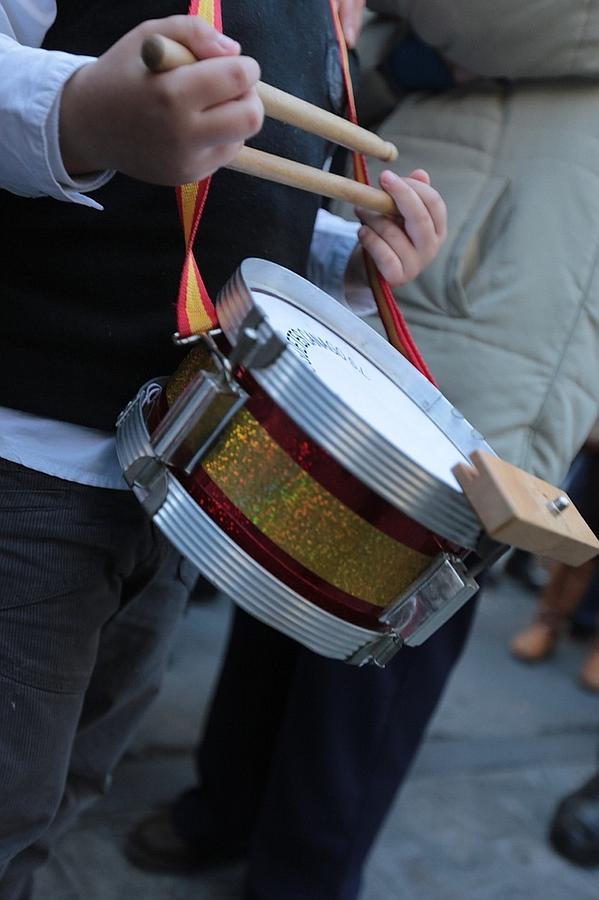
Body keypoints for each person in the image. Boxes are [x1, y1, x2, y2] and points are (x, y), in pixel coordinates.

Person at [126, 2, 599, 899]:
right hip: (402, 258)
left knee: (393, 625)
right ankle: (224, 807)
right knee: (288, 566)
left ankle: (299, 879)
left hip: (508, 294)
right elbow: (376, 62)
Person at [0, 2, 446, 897]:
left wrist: (352, 266)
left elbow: (246, 218)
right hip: (25, 459)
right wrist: (81, 109)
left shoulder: (320, 12)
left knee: (72, 784)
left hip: (184, 483)